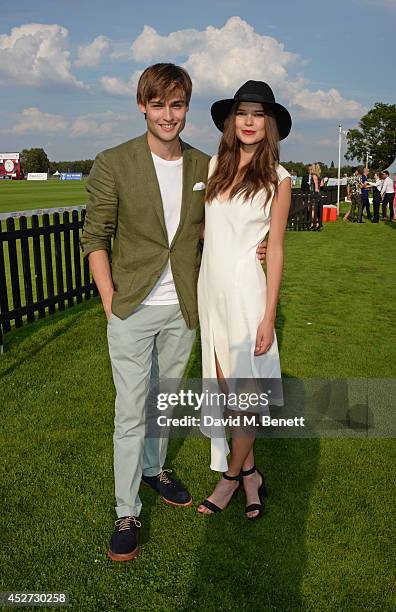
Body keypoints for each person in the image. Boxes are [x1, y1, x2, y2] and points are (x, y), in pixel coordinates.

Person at [80, 63, 267, 562]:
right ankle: (126, 510)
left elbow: (223, 221)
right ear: (143, 105)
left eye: (177, 104)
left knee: (162, 402)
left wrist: (258, 244)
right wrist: (108, 301)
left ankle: (155, 468)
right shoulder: (113, 162)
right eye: (158, 104)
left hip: (185, 307)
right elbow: (95, 238)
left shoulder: (205, 165)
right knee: (129, 410)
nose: (168, 114)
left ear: (187, 108)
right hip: (131, 308)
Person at [197, 80, 292, 520]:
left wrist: (268, 315)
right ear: (231, 121)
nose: (249, 121)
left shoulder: (279, 178)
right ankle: (252, 473)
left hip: (247, 293)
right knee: (225, 389)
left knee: (244, 395)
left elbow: (274, 248)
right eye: (242, 113)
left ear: (268, 123)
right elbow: (208, 229)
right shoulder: (216, 164)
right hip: (210, 289)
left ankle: (231, 478)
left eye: (258, 114)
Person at [309, 163, 322, 230]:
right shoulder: (319, 176)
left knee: (313, 208)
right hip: (318, 193)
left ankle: (313, 223)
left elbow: (316, 184)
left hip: (314, 193)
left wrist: (316, 191)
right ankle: (316, 223)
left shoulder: (313, 175)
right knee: (315, 209)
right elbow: (321, 184)